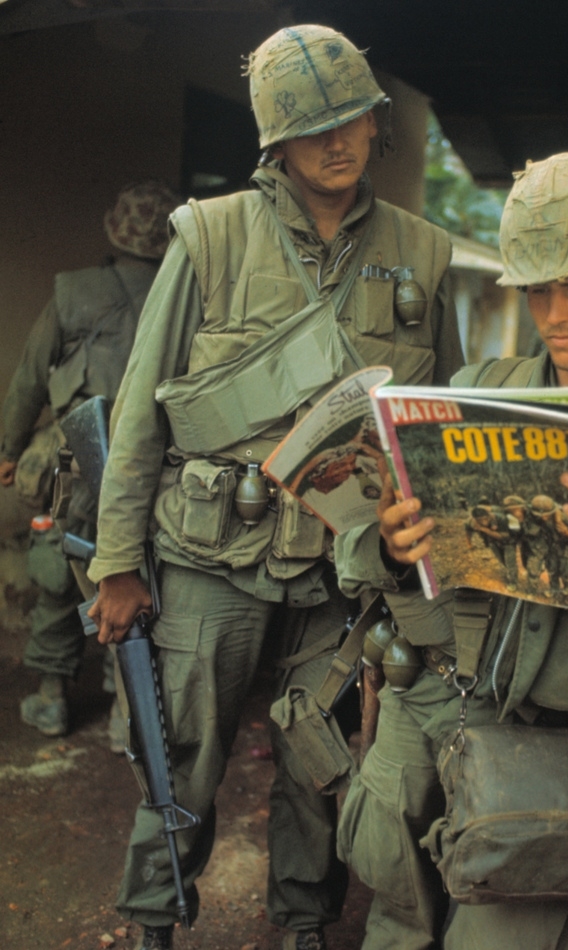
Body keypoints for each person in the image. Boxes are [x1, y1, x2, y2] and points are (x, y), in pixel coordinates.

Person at [85, 24, 463, 950]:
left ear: (379, 126)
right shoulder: (209, 237)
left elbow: (439, 421)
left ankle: (303, 927)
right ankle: (152, 923)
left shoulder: (422, 252)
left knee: (321, 764)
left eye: (353, 121)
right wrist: (119, 560)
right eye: (312, 127)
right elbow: (139, 410)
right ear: (276, 144)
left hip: (346, 572)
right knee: (183, 762)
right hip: (215, 557)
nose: (337, 143)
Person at [334, 151, 568, 950]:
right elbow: (367, 567)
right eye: (537, 290)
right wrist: (394, 547)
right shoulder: (480, 386)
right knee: (394, 928)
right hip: (430, 710)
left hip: (554, 756)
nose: (553, 314)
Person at [0, 180, 178, 749]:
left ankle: (52, 700)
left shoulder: (74, 292)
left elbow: (30, 377)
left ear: (114, 229)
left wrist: (8, 451)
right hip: (158, 469)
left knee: (61, 574)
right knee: (143, 577)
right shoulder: (186, 297)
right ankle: (123, 701)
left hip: (78, 465)